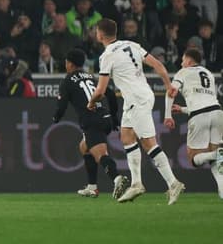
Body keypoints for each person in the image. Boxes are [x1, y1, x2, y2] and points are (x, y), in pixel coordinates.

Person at [89, 18, 184, 204]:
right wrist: (167, 84)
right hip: (138, 97)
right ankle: (136, 184)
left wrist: (91, 102)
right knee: (126, 136)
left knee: (149, 144)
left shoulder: (107, 55)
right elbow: (157, 64)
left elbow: (100, 90)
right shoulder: (132, 44)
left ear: (100, 34)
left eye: (96, 31)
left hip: (137, 100)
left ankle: (173, 183)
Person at [53, 49, 128, 199]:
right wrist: (114, 118)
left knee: (100, 155)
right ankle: (92, 187)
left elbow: (61, 106)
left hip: (92, 120)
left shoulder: (67, 80)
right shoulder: (92, 77)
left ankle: (117, 178)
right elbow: (111, 95)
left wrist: (56, 118)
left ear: (69, 64)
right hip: (105, 117)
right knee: (84, 147)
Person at [170, 48, 223, 198]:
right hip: (218, 112)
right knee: (217, 159)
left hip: (199, 115)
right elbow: (206, 101)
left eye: (182, 60)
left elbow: (172, 91)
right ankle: (222, 190)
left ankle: (215, 153)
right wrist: (183, 109)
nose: (181, 63)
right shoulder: (209, 74)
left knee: (193, 159)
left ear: (188, 61)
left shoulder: (183, 72)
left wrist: (168, 114)